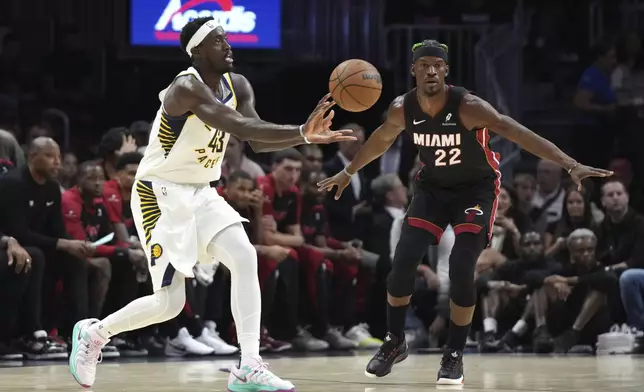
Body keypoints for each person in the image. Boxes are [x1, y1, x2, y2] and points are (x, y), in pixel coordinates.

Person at [67, 17, 354, 391]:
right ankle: (95, 333)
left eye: (227, 39)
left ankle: (248, 365)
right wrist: (301, 132)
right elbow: (239, 127)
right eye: (219, 41)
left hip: (202, 189)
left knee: (244, 255)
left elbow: (259, 142)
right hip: (160, 192)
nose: (229, 46)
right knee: (168, 302)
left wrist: (303, 137)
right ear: (198, 50)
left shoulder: (239, 85)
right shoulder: (185, 88)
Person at [318, 39, 613, 385]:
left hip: (476, 189)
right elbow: (381, 140)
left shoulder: (469, 106)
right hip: (431, 189)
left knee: (460, 266)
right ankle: (394, 341)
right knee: (402, 262)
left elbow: (517, 132)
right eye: (423, 64)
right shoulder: (402, 108)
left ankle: (454, 353)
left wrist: (569, 163)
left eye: (437, 65)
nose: (430, 70)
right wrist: (348, 170)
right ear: (413, 70)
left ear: (446, 70)